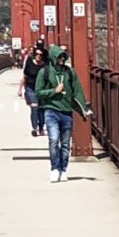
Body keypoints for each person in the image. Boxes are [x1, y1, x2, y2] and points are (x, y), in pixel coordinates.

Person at [30, 36, 90, 180]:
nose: (62, 59)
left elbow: (78, 91)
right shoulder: (44, 72)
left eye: (63, 57)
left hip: (66, 111)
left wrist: (83, 108)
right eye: (59, 57)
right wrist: (53, 91)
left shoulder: (69, 72)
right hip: (51, 110)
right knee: (53, 139)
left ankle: (63, 169)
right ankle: (55, 169)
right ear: (53, 58)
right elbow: (38, 92)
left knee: (65, 144)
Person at [20, 38, 44, 136]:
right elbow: (25, 75)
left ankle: (41, 127)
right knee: (34, 105)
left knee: (42, 108)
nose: (39, 56)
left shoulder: (45, 63)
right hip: (30, 87)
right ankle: (35, 128)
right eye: (37, 54)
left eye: (41, 55)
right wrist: (20, 88)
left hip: (42, 88)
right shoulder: (29, 60)